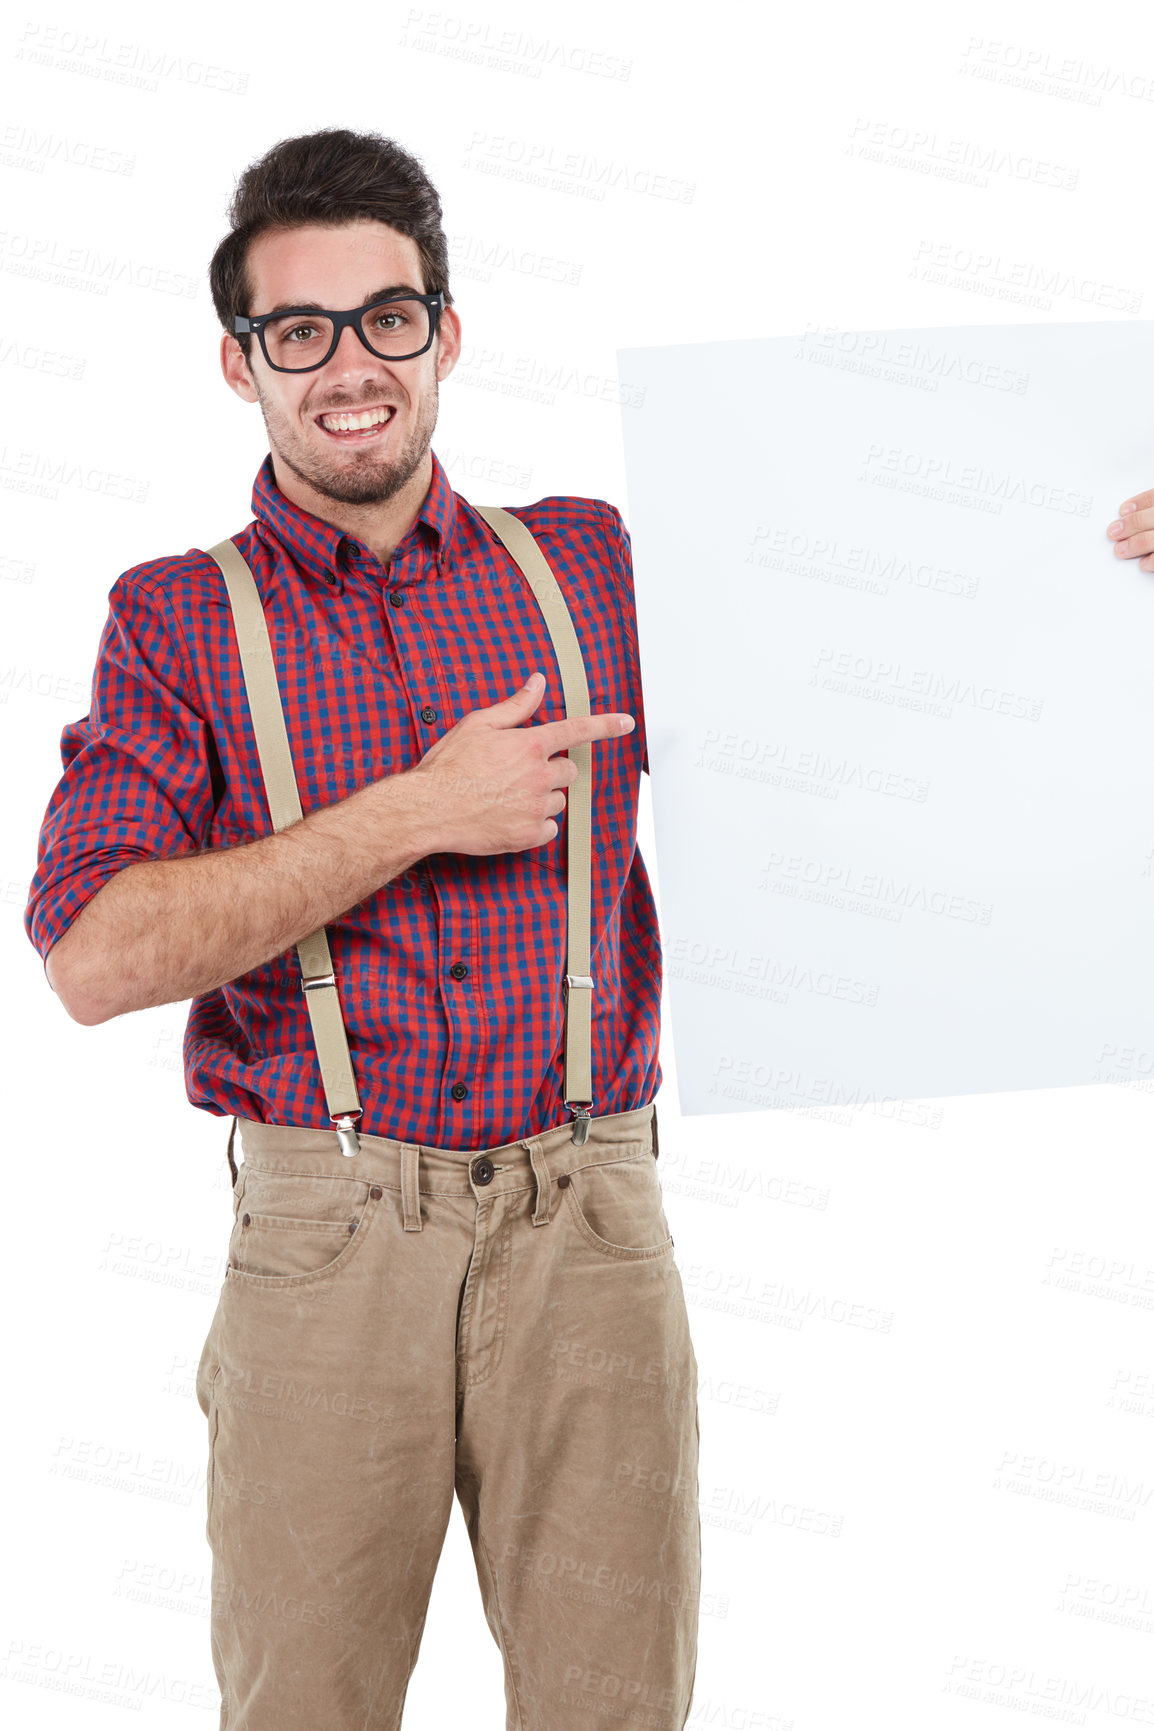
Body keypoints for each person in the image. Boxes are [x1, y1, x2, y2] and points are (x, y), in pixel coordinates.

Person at [23, 129, 701, 1730]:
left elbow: (848, 668)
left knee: (618, 1712)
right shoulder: (177, 618)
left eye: (386, 318)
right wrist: (412, 811)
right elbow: (91, 958)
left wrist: (1088, 549)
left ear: (444, 335)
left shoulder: (586, 563)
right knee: (304, 1708)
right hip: (331, 1242)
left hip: (591, 1224)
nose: (349, 365)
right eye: (298, 330)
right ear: (238, 362)